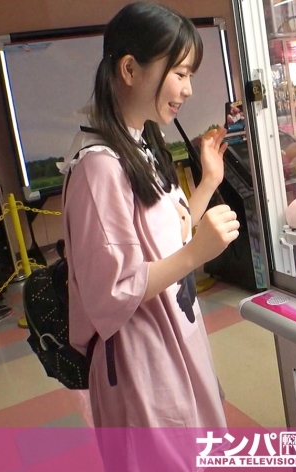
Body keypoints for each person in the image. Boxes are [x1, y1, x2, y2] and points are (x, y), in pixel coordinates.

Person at [58, 2, 239, 469]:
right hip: (142, 361)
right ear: (130, 70)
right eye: (179, 73)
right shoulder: (99, 168)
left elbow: (167, 238)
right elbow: (112, 292)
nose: (188, 89)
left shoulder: (139, 143)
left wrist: (208, 184)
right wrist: (197, 252)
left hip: (173, 340)